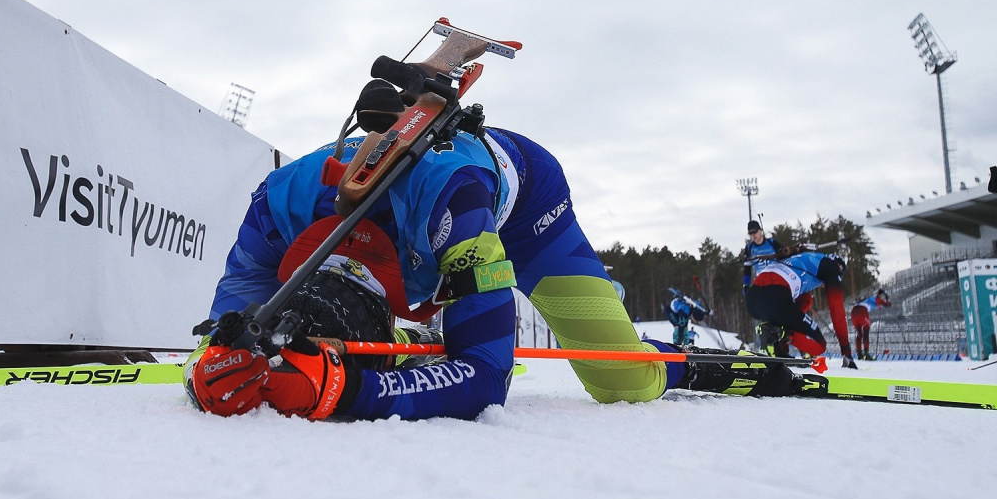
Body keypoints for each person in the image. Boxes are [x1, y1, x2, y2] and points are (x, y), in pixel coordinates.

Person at [184, 80, 816, 421]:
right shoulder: (275, 204)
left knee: (617, 375)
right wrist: (216, 363)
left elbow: (484, 377)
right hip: (431, 202)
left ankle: (687, 364)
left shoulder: (451, 208)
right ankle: (387, 351)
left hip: (524, 203)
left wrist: (341, 391)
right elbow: (226, 328)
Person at [745, 249, 858, 368]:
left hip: (752, 300)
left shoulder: (807, 257)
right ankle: (780, 333)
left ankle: (776, 341)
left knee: (806, 299)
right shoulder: (831, 266)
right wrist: (846, 352)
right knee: (819, 346)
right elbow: (837, 311)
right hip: (774, 297)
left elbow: (798, 305)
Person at [850, 288, 891, 360]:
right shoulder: (875, 299)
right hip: (862, 311)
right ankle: (866, 354)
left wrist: (882, 304)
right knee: (866, 332)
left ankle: (859, 354)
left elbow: (879, 306)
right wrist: (887, 298)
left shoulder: (868, 300)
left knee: (859, 334)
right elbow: (887, 304)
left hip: (854, 312)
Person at [742, 220, 779, 288]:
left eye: (755, 232)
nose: (753, 235)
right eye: (750, 233)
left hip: (776, 278)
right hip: (761, 281)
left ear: (761, 231)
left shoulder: (772, 243)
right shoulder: (749, 248)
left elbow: (784, 257)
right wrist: (746, 285)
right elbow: (747, 269)